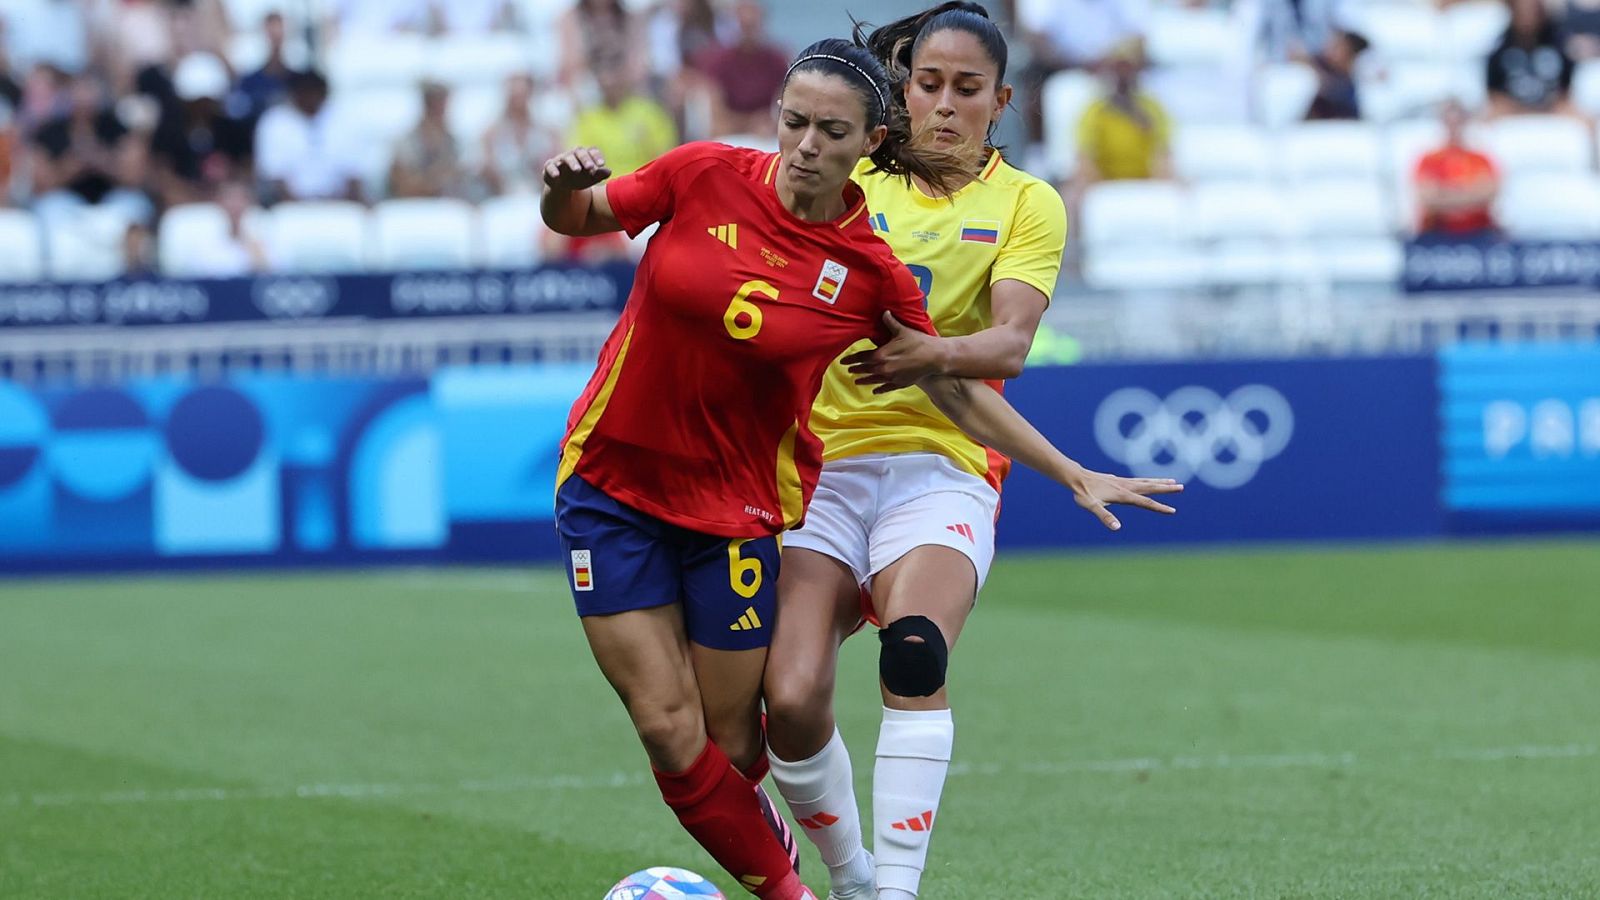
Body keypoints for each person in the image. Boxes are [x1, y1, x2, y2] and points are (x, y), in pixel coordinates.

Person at [542, 34, 1179, 900]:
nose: (807, 144)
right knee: (704, 716)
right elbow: (580, 219)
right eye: (794, 122)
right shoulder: (703, 172)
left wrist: (1067, 471)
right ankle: (820, 886)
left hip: (753, 501)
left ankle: (857, 877)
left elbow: (956, 380)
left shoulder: (872, 268)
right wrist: (562, 191)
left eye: (830, 131)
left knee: (750, 735)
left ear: (867, 141)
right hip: (631, 482)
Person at [761, 6, 1178, 900]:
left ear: (1003, 100)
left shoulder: (1027, 203)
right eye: (927, 84)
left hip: (943, 463)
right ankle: (854, 878)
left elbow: (1007, 347)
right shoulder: (851, 175)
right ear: (902, 87)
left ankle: (899, 893)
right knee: (789, 702)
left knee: (914, 650)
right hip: (815, 467)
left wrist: (934, 356)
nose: (944, 105)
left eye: (967, 89)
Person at [699, 0, 790, 138]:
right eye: (744, 25)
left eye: (752, 25)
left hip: (765, 137)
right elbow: (717, 122)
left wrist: (769, 123)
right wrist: (752, 124)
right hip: (732, 137)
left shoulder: (777, 61)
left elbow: (783, 111)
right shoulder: (718, 62)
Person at [1413, 99, 1501, 241]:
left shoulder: (1480, 159)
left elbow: (1489, 194)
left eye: (1458, 120)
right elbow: (1427, 198)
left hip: (1479, 233)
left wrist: (1444, 194)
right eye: (1449, 120)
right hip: (1437, 233)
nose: (1454, 125)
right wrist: (1469, 194)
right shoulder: (1428, 160)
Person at [1487, 0, 1578, 118]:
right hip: (1512, 116)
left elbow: (1566, 92)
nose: (1528, 16)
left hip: (1553, 115)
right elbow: (1495, 95)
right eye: (1523, 11)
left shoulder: (1558, 45)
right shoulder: (1499, 49)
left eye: (1532, 10)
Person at [388, 81, 466, 199]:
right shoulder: (406, 143)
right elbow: (404, 187)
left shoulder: (453, 142)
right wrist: (437, 179)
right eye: (438, 105)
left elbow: (459, 182)